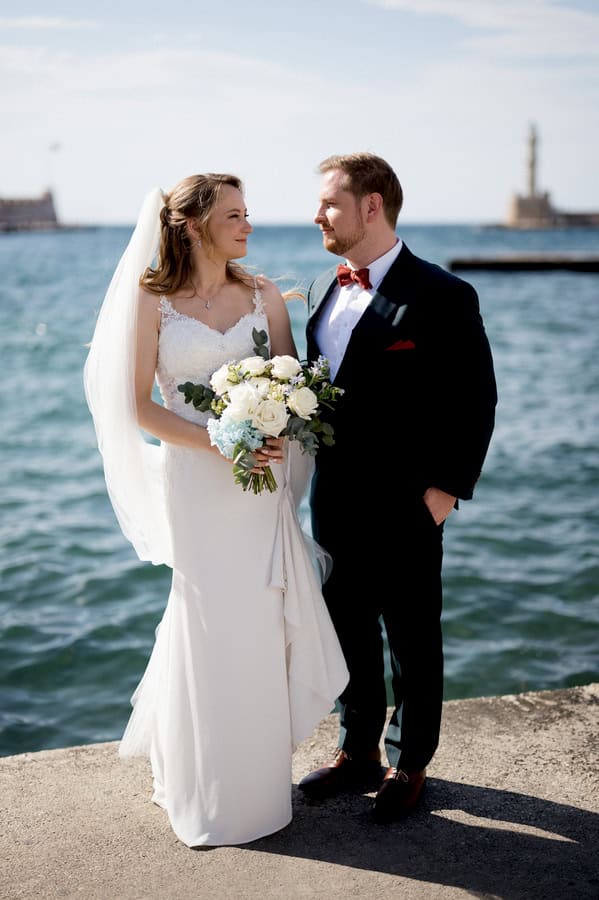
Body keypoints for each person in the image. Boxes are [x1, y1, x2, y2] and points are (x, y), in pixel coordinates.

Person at [83, 173, 348, 848]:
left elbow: (295, 389)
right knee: (207, 626)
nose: (248, 225)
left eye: (247, 213)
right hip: (198, 489)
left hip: (260, 489)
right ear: (194, 224)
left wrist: (276, 433)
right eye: (234, 214)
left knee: (257, 627)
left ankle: (259, 792)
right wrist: (220, 441)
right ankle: (207, 793)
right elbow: (137, 406)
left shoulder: (263, 297)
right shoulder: (153, 303)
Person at [298, 153, 497, 823]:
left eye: (329, 203)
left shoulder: (442, 294)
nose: (317, 214)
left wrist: (445, 490)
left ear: (371, 205)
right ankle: (357, 750)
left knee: (412, 638)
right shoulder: (330, 287)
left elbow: (475, 401)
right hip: (334, 500)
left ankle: (409, 762)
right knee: (348, 628)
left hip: (409, 504)